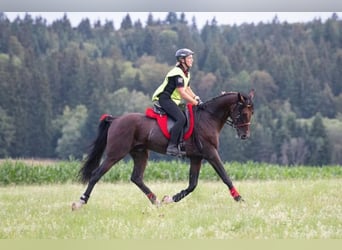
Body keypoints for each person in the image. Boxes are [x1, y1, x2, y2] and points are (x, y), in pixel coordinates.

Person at [152, 48, 202, 156]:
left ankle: (183, 143)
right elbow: (182, 93)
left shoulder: (186, 73)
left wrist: (196, 97)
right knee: (181, 118)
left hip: (174, 101)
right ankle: (172, 146)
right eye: (189, 58)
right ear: (182, 60)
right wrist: (195, 103)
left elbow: (188, 89)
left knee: (189, 115)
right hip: (165, 99)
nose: (192, 60)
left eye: (191, 58)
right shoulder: (177, 73)